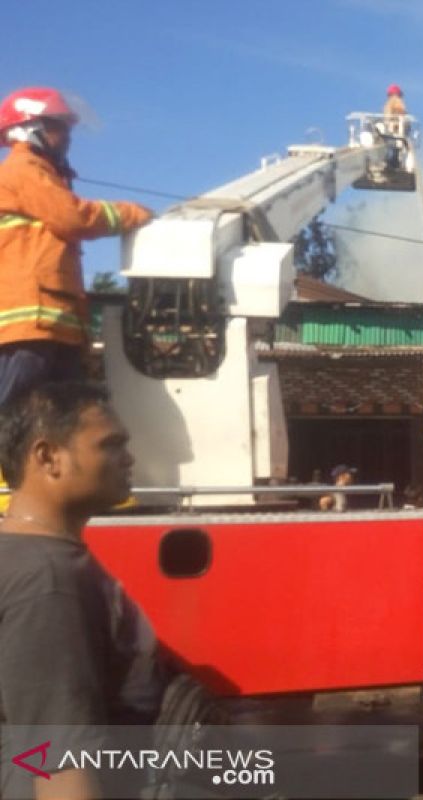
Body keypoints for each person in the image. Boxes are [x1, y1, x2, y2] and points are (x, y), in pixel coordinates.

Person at [0, 382, 163, 799]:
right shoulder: (47, 581)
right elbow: (60, 762)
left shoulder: (27, 555)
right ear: (48, 456)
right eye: (110, 445)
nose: (128, 458)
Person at [0, 87, 153, 407]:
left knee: (59, 419)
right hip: (30, 329)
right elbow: (73, 217)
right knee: (15, 413)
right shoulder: (23, 169)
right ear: (31, 128)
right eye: (59, 127)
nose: (67, 137)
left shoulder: (43, 175)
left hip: (53, 325)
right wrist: (132, 214)